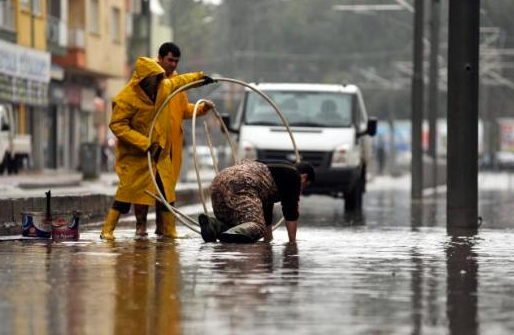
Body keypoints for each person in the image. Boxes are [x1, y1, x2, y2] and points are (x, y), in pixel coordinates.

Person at [100, 56, 214, 240]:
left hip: (160, 155)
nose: (156, 82)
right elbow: (118, 125)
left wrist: (200, 78)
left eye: (158, 77)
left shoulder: (163, 88)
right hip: (136, 155)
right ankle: (108, 229)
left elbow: (179, 81)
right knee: (126, 193)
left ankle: (170, 230)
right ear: (142, 79)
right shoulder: (126, 98)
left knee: (167, 195)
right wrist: (144, 143)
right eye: (152, 78)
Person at [133, 42, 215, 237]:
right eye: (170, 60)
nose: (172, 65)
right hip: (150, 144)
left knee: (166, 189)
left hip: (171, 147)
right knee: (145, 187)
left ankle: (163, 228)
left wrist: (201, 109)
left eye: (176, 61)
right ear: (160, 58)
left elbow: (183, 109)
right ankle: (140, 226)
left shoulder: (178, 81)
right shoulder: (147, 79)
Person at [198, 159, 315, 243]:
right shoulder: (293, 174)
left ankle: (213, 224)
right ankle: (234, 233)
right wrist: (292, 243)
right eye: (304, 186)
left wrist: (268, 239)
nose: (302, 190)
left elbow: (265, 211)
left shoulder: (272, 172)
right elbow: (290, 212)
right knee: (256, 227)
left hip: (218, 181)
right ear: (303, 177)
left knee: (238, 224)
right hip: (242, 181)